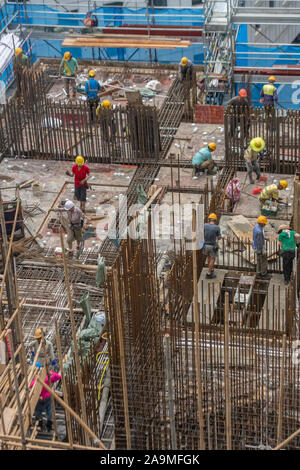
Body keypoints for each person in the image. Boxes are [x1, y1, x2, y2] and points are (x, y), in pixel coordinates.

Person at [203, 213, 221, 279]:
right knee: (213, 258)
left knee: (208, 257)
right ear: (215, 220)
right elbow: (219, 237)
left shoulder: (205, 225)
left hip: (205, 245)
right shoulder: (217, 227)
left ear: (209, 220)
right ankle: (209, 273)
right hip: (212, 245)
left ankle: (211, 268)